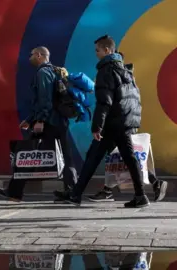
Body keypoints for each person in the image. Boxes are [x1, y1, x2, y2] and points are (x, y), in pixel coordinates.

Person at [54, 35, 149, 207]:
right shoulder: (125, 70)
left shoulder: (106, 70)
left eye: (97, 50)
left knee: (97, 157)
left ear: (107, 50)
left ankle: (76, 195)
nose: (96, 53)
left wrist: (97, 126)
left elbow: (104, 102)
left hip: (112, 124)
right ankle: (140, 195)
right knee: (123, 157)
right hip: (124, 121)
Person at [0, 46, 77, 202]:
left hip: (49, 122)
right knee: (67, 157)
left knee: (27, 154)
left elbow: (44, 100)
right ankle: (72, 192)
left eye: (31, 54)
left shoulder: (42, 72)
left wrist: (39, 120)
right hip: (61, 121)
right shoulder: (55, 71)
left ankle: (14, 192)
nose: (29, 57)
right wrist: (29, 119)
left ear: (39, 55)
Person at [88, 51, 168, 203]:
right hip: (124, 122)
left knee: (125, 157)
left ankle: (146, 189)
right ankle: (111, 190)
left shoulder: (114, 75)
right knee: (119, 157)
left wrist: (99, 125)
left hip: (116, 123)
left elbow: (108, 102)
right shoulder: (128, 76)